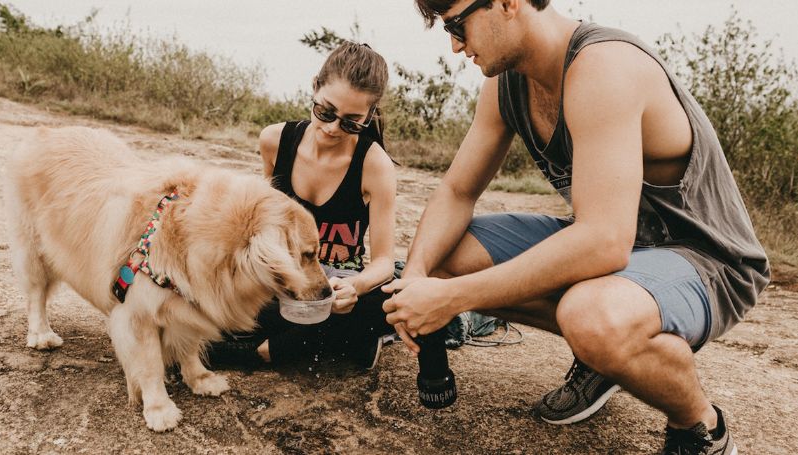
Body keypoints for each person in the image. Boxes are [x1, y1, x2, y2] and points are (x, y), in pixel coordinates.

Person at [381, 1, 769, 453]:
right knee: (440, 256)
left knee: (590, 317)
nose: (454, 45)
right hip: (625, 252)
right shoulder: (507, 84)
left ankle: (700, 428)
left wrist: (451, 299)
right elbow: (456, 192)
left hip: (706, 259)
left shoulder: (603, 66)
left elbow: (604, 242)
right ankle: (605, 359)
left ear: (508, 3)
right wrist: (415, 280)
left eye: (456, 24)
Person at [207, 41, 398, 370]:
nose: (332, 128)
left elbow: (383, 262)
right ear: (314, 87)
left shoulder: (375, 165)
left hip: (336, 288)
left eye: (351, 122)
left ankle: (259, 353)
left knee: (391, 303)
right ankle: (340, 344)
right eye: (325, 111)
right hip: (282, 278)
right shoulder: (275, 141)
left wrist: (355, 286)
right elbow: (258, 225)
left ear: (369, 114)